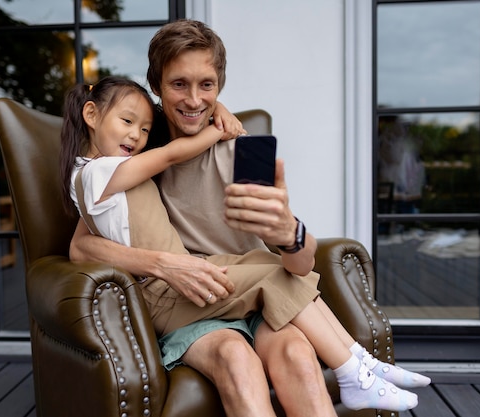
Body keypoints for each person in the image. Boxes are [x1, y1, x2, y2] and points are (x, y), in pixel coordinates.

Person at [69, 19, 427, 416]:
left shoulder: (242, 151)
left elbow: (299, 263)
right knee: (235, 358)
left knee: (296, 352)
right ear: (156, 85)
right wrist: (164, 264)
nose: (193, 100)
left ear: (220, 84)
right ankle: (357, 367)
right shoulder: (135, 146)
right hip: (187, 305)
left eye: (207, 85)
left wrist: (291, 234)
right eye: (178, 84)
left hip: (257, 298)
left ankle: (356, 369)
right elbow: (82, 244)